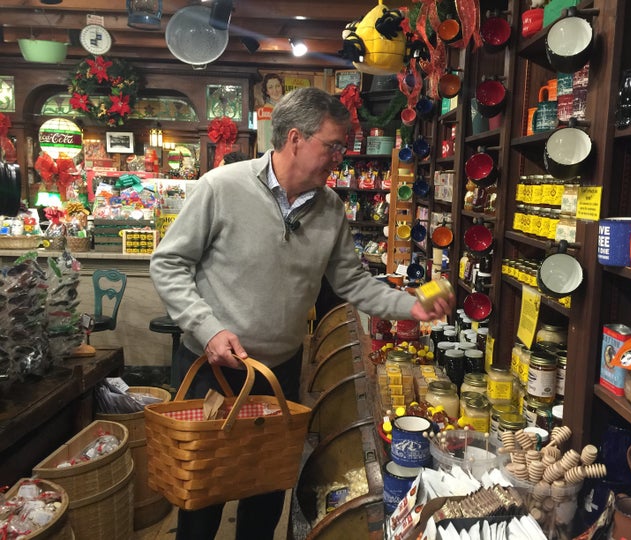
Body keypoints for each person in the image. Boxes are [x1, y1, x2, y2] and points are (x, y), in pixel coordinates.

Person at [149, 86, 453, 540]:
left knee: (266, 493)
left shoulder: (331, 209)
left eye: (342, 149)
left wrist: (412, 305)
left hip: (280, 376)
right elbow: (168, 263)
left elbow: (351, 283)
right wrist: (208, 328)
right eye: (332, 146)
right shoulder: (221, 186)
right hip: (214, 370)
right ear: (295, 138)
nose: (339, 158)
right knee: (204, 496)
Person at [256, 73, 285, 153]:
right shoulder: (265, 110)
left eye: (277, 86)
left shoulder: (290, 106)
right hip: (269, 151)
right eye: (270, 87)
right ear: (267, 91)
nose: (275, 91)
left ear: (282, 87)